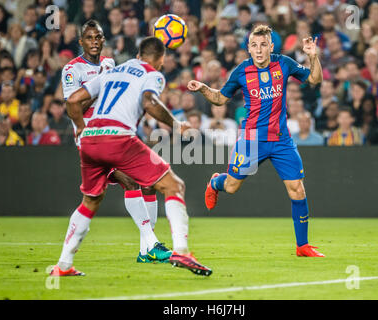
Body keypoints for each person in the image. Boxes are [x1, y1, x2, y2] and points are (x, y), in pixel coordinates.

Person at [51, 36, 212, 277]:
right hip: (119, 138)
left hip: (90, 139)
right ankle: (181, 251)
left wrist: (81, 128)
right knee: (174, 185)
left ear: (138, 55)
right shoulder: (153, 74)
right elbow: (149, 102)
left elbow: (73, 100)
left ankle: (63, 265)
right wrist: (176, 124)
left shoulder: (111, 71)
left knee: (90, 201)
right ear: (161, 59)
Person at [188, 25, 325, 257]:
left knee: (297, 189)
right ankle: (215, 183)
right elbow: (220, 99)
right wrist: (203, 88)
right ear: (248, 48)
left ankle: (302, 246)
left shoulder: (284, 63)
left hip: (281, 139)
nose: (259, 50)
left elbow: (314, 79)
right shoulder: (241, 71)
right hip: (252, 139)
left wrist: (313, 57)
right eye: (254, 45)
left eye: (263, 45)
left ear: (271, 47)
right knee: (231, 186)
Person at [61, 20, 163, 263]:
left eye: (98, 37)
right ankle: (152, 245)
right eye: (89, 38)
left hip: (116, 132)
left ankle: (145, 250)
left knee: (147, 184)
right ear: (81, 42)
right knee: (130, 182)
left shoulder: (110, 64)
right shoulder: (72, 70)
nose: (94, 42)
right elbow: (72, 104)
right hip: (91, 138)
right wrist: (96, 91)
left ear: (104, 40)